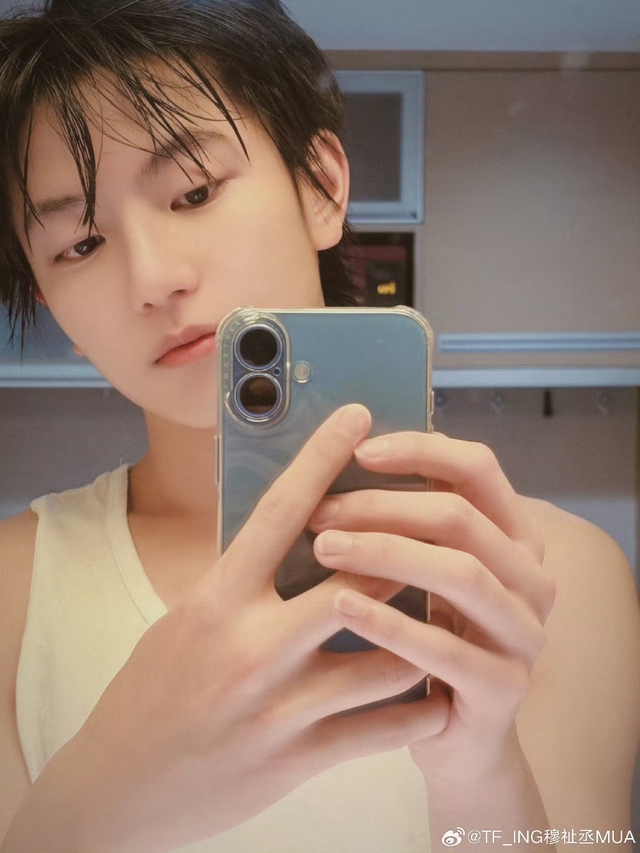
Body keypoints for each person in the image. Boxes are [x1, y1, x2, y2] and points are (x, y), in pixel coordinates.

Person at [0, 0, 639, 851]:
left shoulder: (551, 575)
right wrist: (96, 802)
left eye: (194, 191)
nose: (152, 278)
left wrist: (479, 770)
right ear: (57, 313)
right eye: (80, 245)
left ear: (322, 187)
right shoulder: (11, 594)